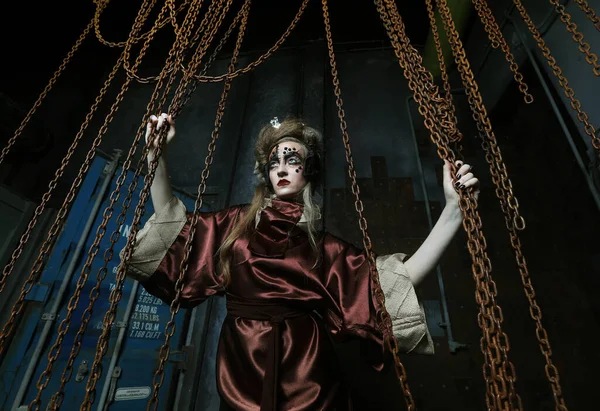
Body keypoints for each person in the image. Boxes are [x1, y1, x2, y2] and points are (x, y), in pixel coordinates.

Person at [124, 113, 479, 410]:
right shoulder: (232, 224)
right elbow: (175, 232)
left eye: (292, 160)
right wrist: (156, 156)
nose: (281, 168)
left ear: (308, 169)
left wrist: (452, 214)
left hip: (305, 370)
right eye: (274, 161)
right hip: (241, 363)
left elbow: (389, 285)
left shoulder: (323, 248)